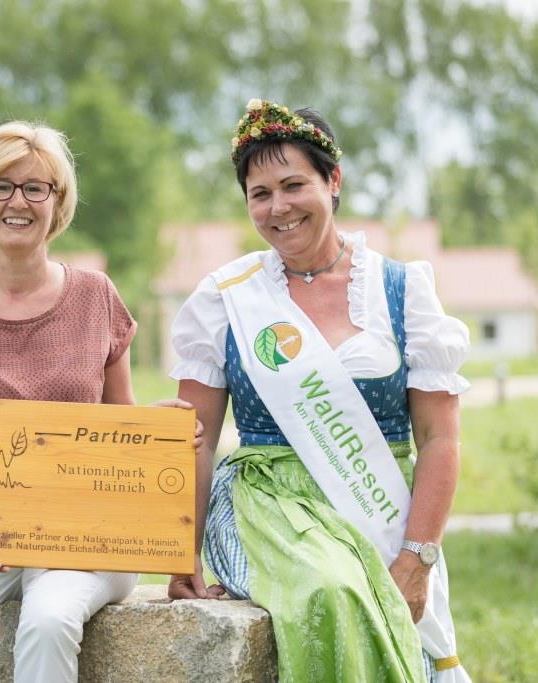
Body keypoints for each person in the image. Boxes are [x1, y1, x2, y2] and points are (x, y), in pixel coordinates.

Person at [168, 99, 472, 682]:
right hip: (268, 504)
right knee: (333, 590)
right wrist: (179, 549)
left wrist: (418, 556)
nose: (278, 207)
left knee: (369, 589)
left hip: (378, 505)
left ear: (333, 181)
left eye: (293, 184)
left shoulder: (402, 290)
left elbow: (439, 438)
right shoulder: (226, 299)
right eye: (260, 194)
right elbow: (196, 442)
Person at [0, 121, 195, 682]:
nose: (19, 201)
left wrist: (156, 433)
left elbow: (118, 423)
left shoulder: (97, 296)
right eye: (1, 186)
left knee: (46, 620)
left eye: (36, 187)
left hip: (87, 535)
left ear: (57, 201)